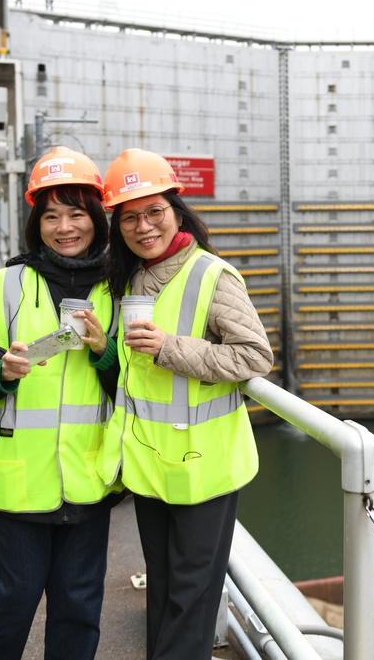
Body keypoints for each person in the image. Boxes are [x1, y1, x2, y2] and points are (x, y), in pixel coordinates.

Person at [0, 147, 124, 660]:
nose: (64, 227)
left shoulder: (122, 288)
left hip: (89, 481)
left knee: (78, 611)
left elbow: (136, 383)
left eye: (76, 214)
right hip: (19, 483)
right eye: (51, 215)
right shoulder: (6, 286)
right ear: (35, 223)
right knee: (7, 608)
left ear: (96, 218)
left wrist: (104, 352)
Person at [98, 148, 273, 659]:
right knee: (165, 586)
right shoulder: (130, 278)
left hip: (205, 467)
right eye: (129, 217)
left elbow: (254, 356)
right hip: (153, 466)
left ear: (177, 209)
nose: (143, 226)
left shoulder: (212, 275)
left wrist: (170, 348)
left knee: (193, 595)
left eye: (154, 211)